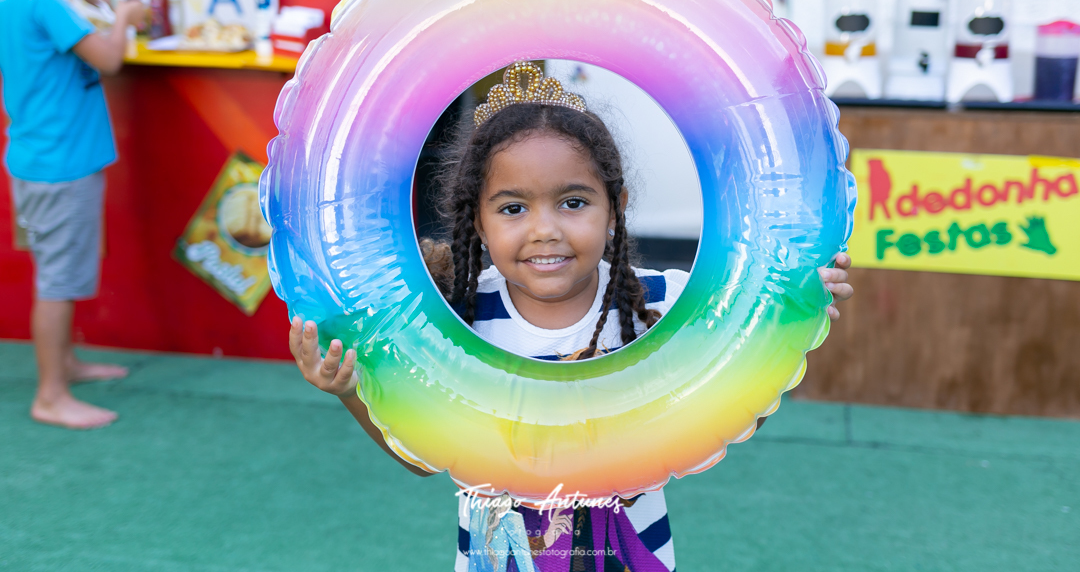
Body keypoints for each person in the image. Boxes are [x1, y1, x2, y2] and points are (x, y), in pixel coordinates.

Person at [290, 63, 854, 571]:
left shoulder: (662, 305)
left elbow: (730, 416)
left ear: (615, 207)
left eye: (573, 202)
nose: (545, 230)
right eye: (513, 208)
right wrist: (348, 390)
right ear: (479, 224)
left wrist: (783, 318)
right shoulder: (457, 323)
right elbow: (421, 454)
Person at [0, 0, 144, 430]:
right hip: (63, 164)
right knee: (57, 282)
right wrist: (124, 16)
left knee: (52, 269)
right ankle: (50, 395)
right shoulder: (38, 0)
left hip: (34, 158)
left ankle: (64, 364)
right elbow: (108, 57)